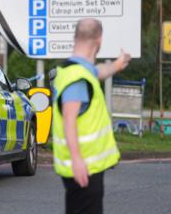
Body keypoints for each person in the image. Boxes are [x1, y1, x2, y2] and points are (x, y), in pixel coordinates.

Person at [52, 18, 131, 214]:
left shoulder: (75, 70)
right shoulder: (78, 79)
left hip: (85, 167)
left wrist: (118, 64)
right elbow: (70, 119)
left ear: (75, 37)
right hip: (83, 168)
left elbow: (99, 72)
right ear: (99, 41)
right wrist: (77, 159)